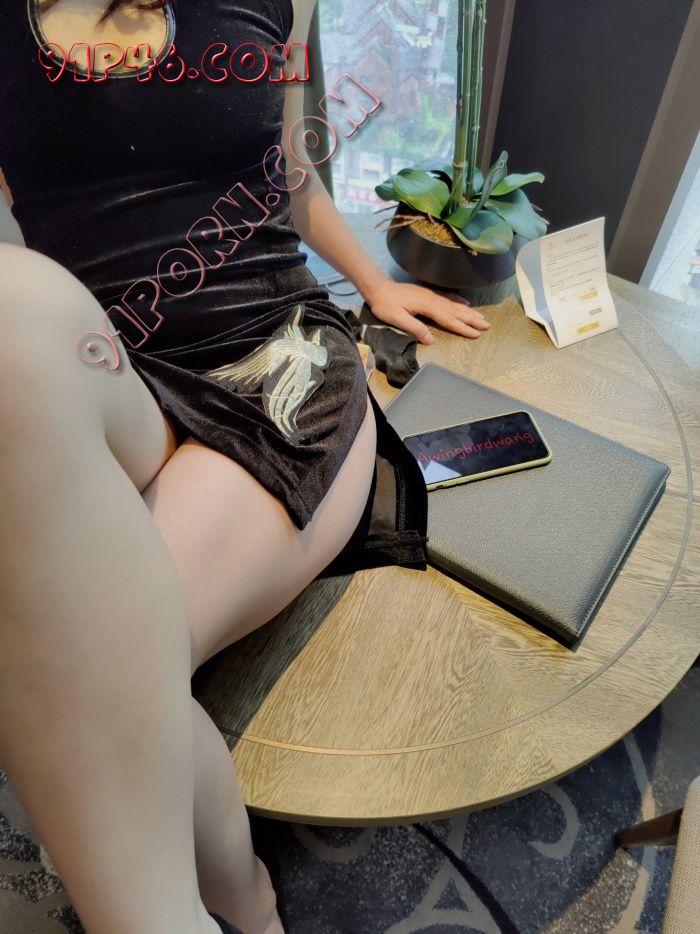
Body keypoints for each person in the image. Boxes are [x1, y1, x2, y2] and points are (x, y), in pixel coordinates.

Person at [0, 1, 490, 932]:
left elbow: (290, 171)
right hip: (114, 375)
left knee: (90, 673)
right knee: (9, 303)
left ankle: (240, 905)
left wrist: (376, 285)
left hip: (275, 364)